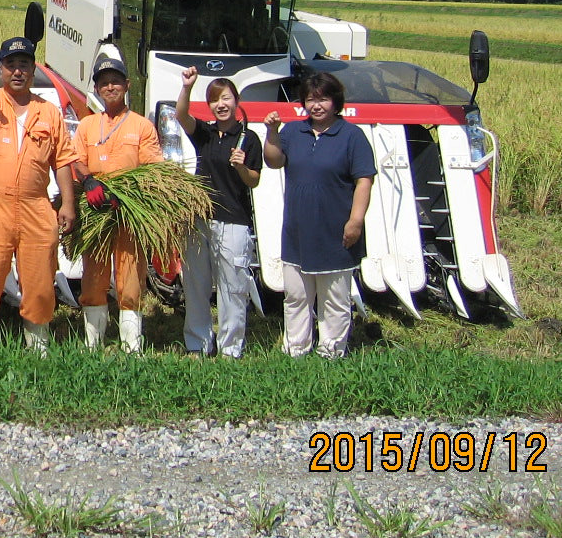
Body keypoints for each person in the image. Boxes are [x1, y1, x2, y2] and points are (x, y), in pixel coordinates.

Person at [0, 27, 77, 355]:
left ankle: (37, 348)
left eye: (24, 64)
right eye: (11, 64)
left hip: (37, 207)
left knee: (40, 281)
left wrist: (68, 203)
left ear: (33, 69)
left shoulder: (49, 112)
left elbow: (63, 160)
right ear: (1, 70)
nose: (18, 71)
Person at [263, 72, 375, 359]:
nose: (317, 105)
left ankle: (332, 351)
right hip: (297, 231)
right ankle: (296, 349)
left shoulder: (352, 136)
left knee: (335, 299)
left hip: (335, 232)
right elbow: (273, 161)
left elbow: (364, 180)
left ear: (335, 102)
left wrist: (356, 221)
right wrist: (272, 132)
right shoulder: (292, 132)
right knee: (296, 296)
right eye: (311, 99)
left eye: (323, 99)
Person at [71, 60, 162, 352]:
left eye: (116, 82)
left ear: (127, 86)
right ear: (97, 88)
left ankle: (131, 345)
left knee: (130, 277)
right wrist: (88, 182)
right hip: (96, 209)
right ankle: (93, 343)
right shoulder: (87, 125)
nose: (110, 87)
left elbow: (152, 169)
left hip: (128, 213)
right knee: (93, 277)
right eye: (104, 83)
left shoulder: (142, 125)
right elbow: (76, 159)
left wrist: (125, 195)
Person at [175, 67, 263, 358]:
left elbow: (254, 180)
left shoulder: (248, 139)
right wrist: (187, 87)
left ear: (236, 102)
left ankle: (230, 348)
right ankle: (197, 343)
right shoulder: (206, 133)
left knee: (232, 288)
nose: (221, 105)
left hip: (234, 222)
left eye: (226, 98)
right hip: (199, 219)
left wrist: (241, 166)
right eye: (214, 100)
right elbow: (181, 116)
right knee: (195, 284)